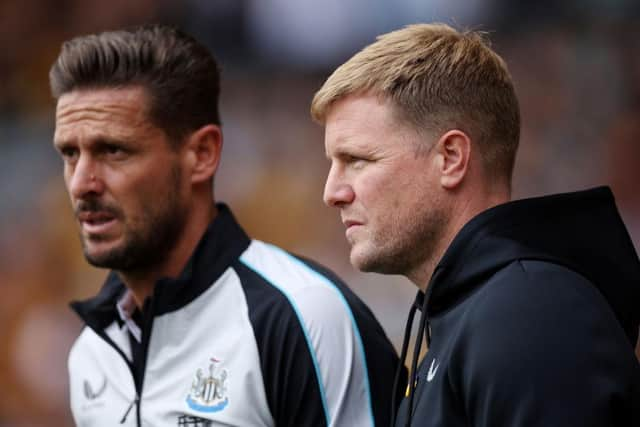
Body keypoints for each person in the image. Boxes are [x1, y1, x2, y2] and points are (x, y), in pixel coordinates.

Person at [50, 24, 404, 427]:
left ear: (202, 153)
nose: (82, 183)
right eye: (69, 154)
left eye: (113, 150)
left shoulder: (305, 317)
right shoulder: (91, 354)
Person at [311, 23, 640, 427]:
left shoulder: (528, 316)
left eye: (358, 160)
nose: (332, 192)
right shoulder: (481, 313)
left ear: (451, 158)